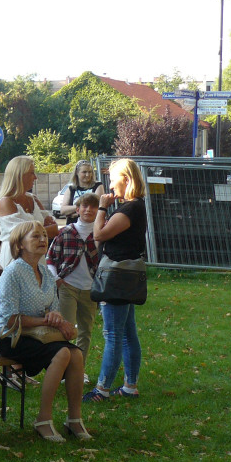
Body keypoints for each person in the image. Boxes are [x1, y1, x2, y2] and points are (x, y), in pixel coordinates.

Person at [0, 221, 91, 443]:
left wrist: (58, 320)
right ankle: (43, 419)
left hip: (40, 336)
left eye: (44, 236)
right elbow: (10, 319)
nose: (42, 240)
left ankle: (74, 419)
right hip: (11, 337)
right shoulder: (13, 272)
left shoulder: (46, 272)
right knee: (63, 353)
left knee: (75, 353)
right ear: (19, 245)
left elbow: (53, 309)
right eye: (35, 236)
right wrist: (45, 320)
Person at [84, 158, 148, 402]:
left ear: (127, 179)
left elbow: (98, 235)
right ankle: (130, 386)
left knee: (113, 334)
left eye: (113, 179)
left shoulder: (130, 208)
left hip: (116, 277)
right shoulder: (135, 206)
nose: (111, 186)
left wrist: (101, 208)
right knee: (128, 332)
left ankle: (102, 390)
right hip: (128, 275)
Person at [46, 192, 100, 377]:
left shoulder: (101, 233)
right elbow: (50, 258)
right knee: (66, 329)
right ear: (77, 210)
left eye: (93, 207)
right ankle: (64, 368)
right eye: (84, 206)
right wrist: (57, 279)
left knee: (86, 331)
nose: (88, 210)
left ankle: (78, 369)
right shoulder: (66, 232)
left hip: (91, 289)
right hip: (67, 286)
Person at [0, 155, 59, 270]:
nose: (35, 177)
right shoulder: (6, 202)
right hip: (14, 258)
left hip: (36, 257)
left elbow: (53, 228)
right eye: (31, 173)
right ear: (19, 175)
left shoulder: (33, 199)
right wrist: (45, 230)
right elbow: (21, 235)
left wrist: (39, 231)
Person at [58, 160, 106, 224]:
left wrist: (76, 212)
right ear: (77, 173)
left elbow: (98, 207)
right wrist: (82, 209)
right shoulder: (71, 189)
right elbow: (63, 210)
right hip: (73, 226)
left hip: (92, 226)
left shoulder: (98, 186)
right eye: (84, 172)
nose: (87, 175)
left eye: (90, 172)